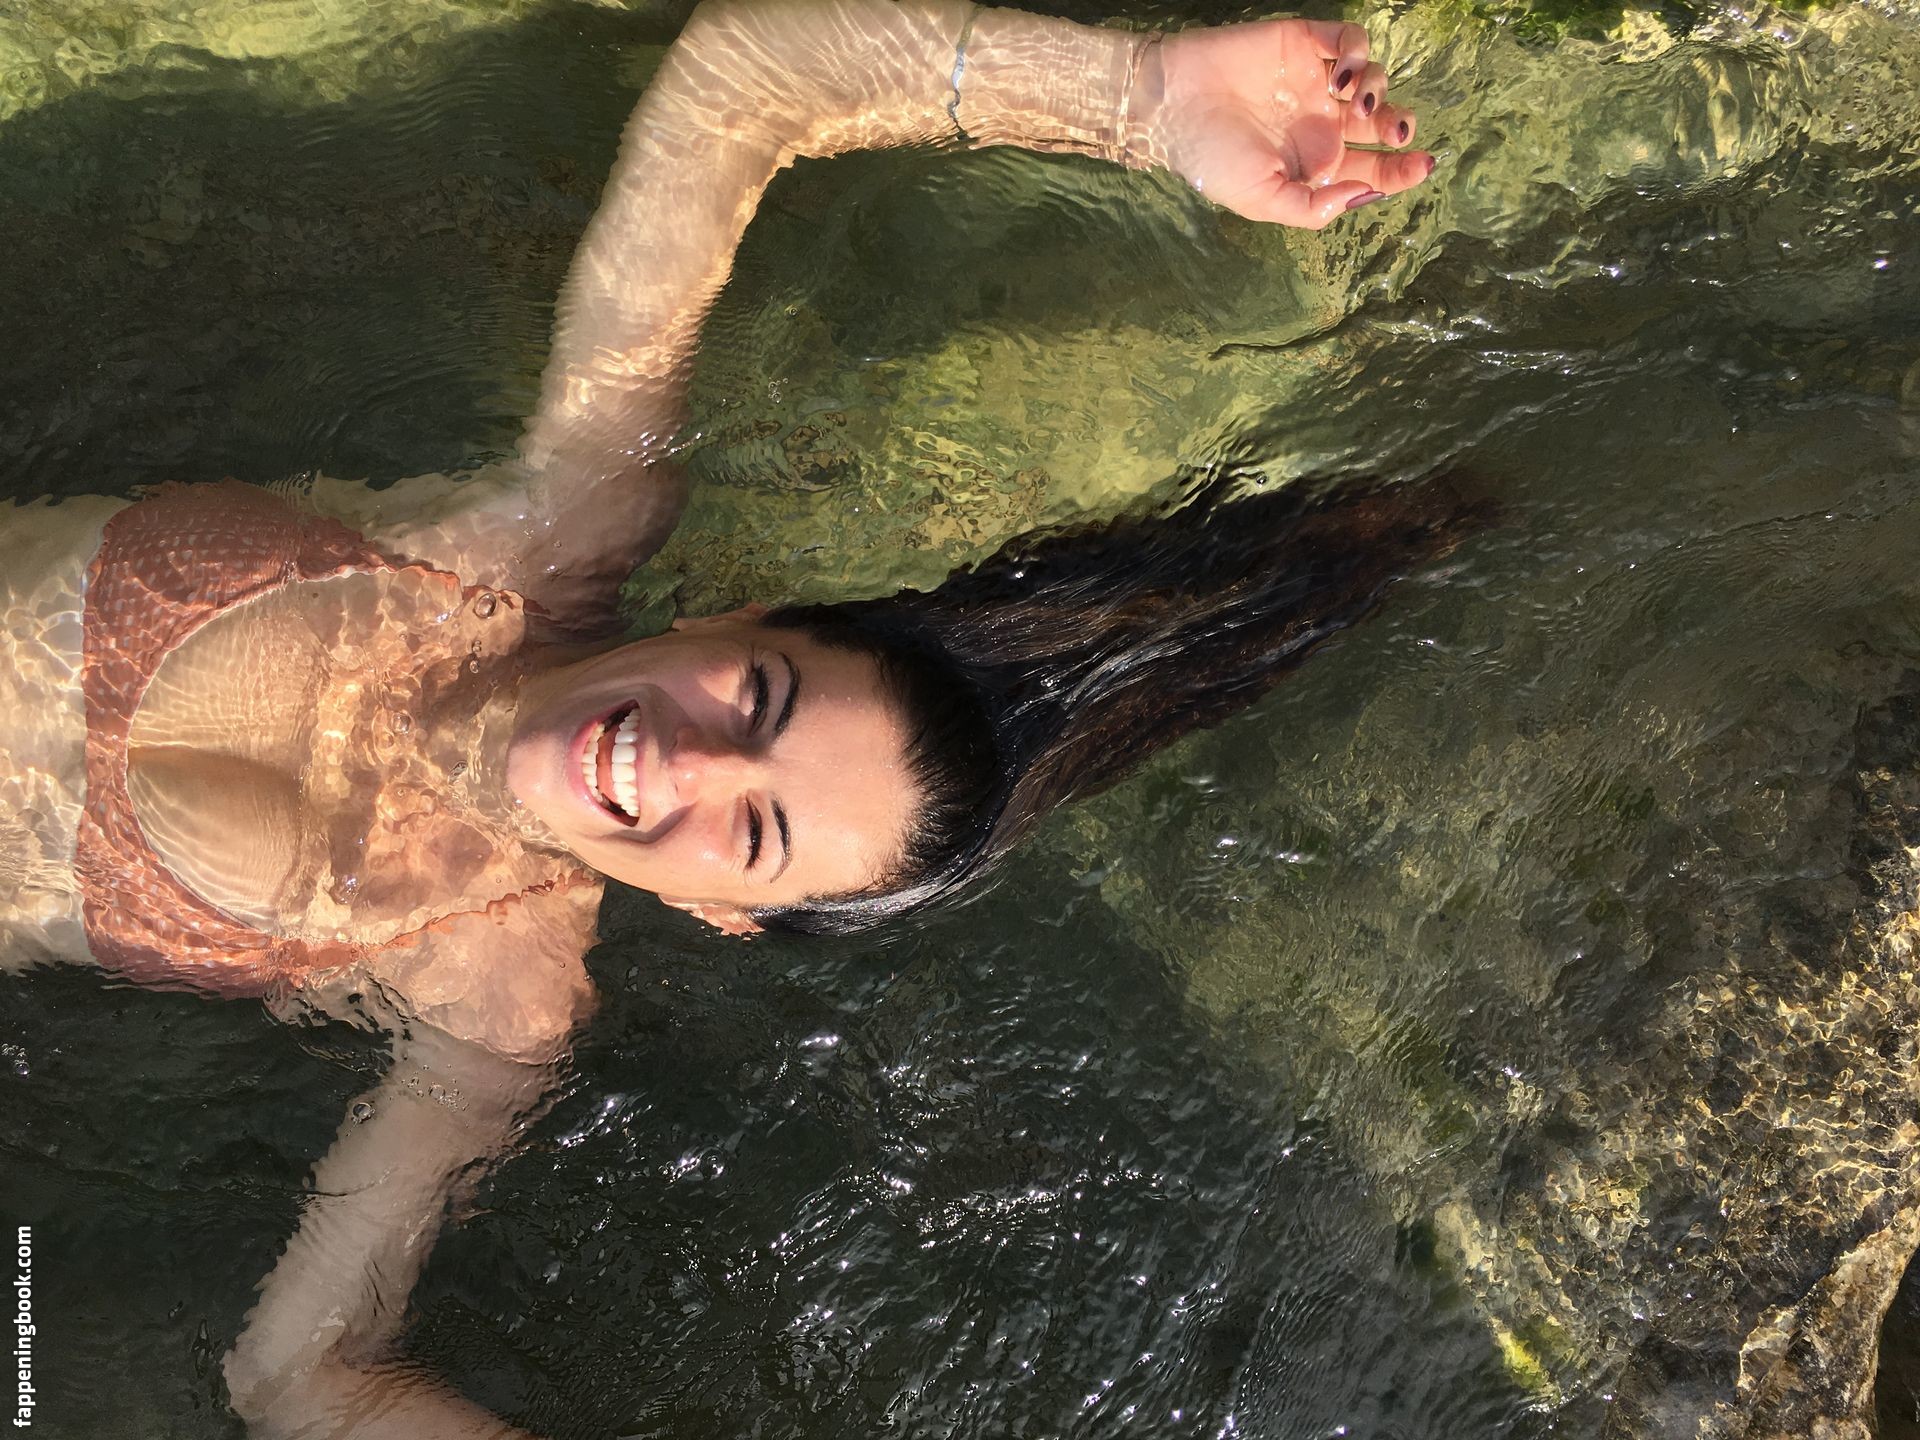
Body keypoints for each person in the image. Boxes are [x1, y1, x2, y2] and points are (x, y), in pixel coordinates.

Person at [0, 0, 1437, 1432]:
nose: (688, 760)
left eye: (751, 835)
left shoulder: (494, 1001)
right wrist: (1141, 101)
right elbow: (746, 77)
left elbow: (297, 1378)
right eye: (756, 698)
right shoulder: (558, 525)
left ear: (718, 916)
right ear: (736, 619)